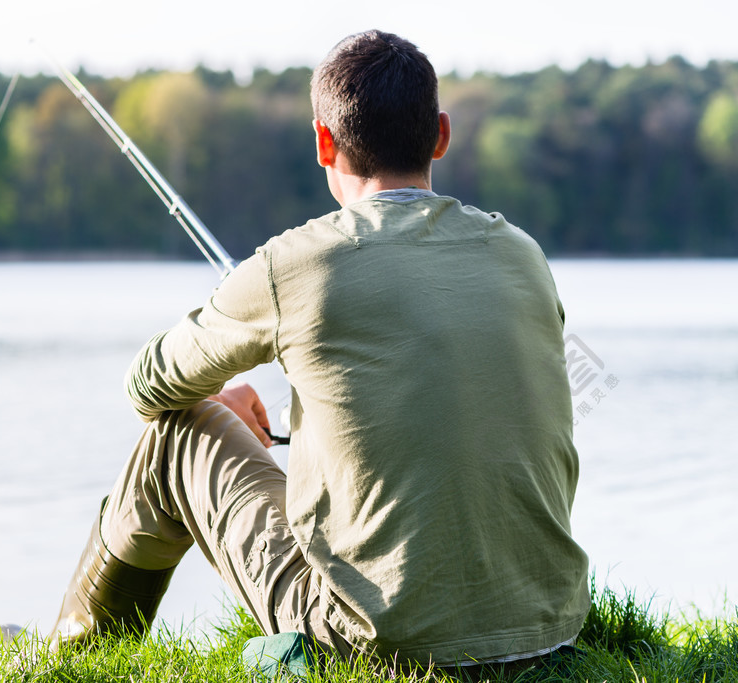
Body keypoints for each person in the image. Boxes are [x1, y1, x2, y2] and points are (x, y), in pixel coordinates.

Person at [49, 29, 590, 675]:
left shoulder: (297, 262)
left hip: (378, 642)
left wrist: (215, 399)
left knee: (175, 434)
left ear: (323, 142)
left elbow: (148, 384)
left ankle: (71, 654)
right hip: (550, 627)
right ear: (440, 134)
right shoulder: (522, 254)